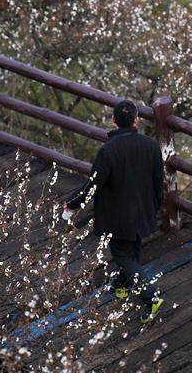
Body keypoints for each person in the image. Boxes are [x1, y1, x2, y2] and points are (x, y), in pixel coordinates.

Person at [61, 99, 165, 324]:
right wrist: (155, 206)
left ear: (113, 121)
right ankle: (123, 284)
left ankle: (150, 296)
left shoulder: (109, 151)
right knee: (132, 248)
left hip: (119, 215)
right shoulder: (151, 146)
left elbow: (93, 185)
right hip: (144, 209)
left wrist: (72, 204)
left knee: (122, 254)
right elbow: (159, 181)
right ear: (136, 120)